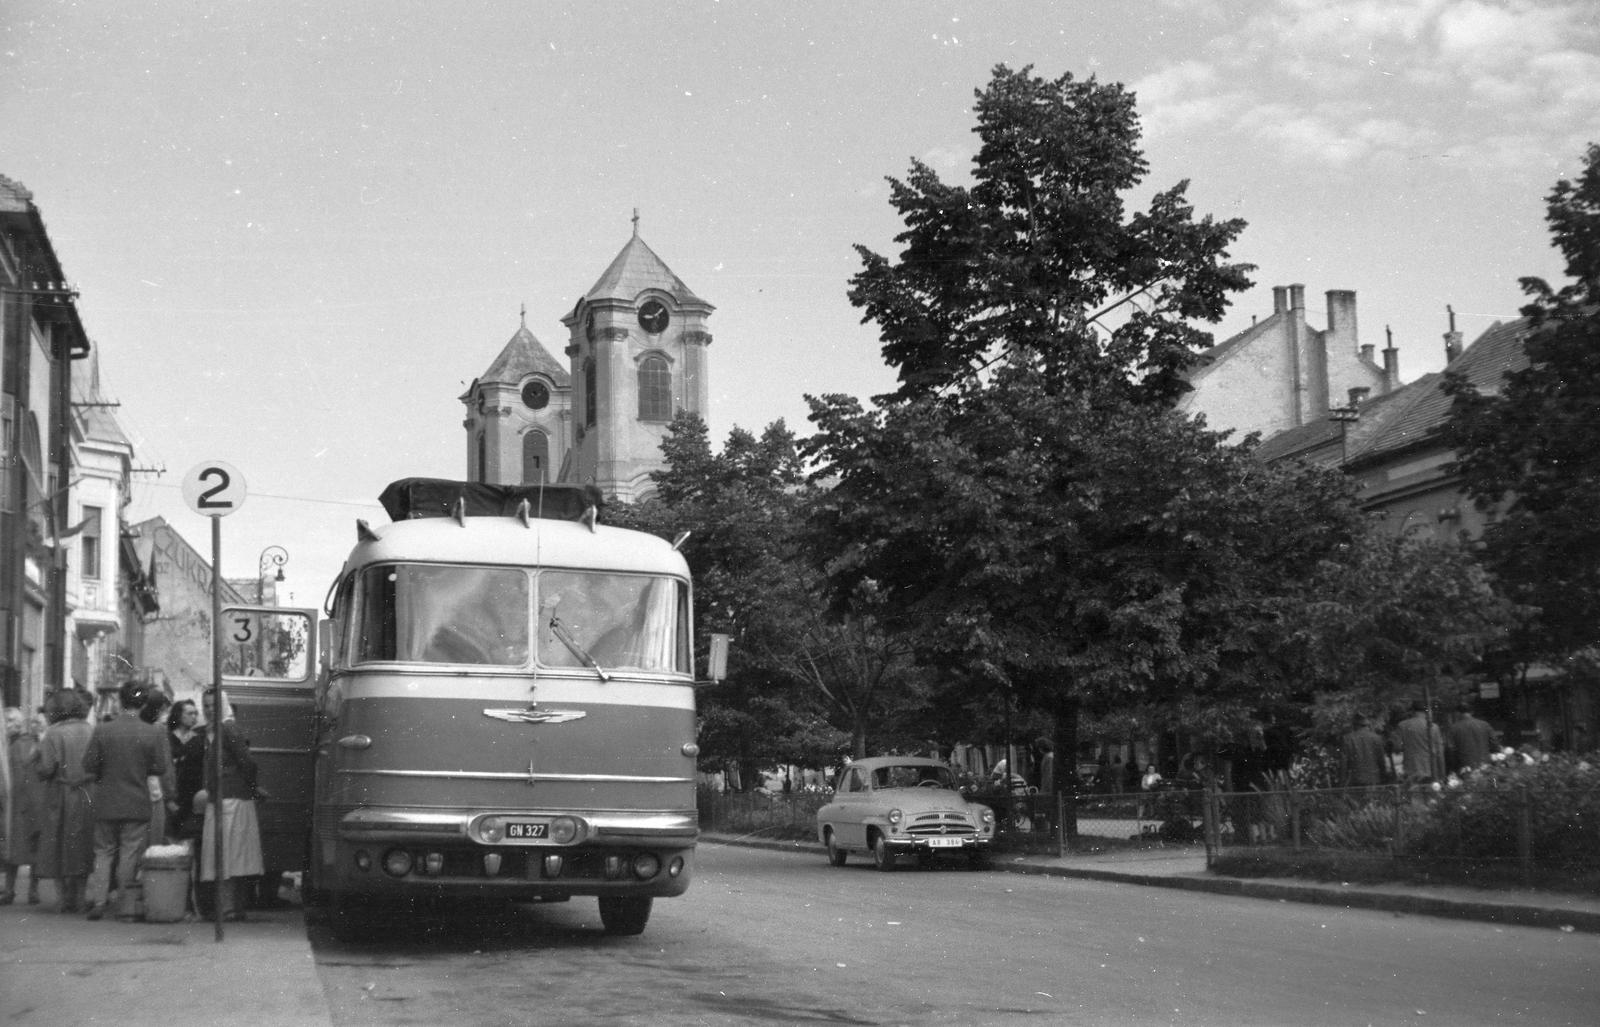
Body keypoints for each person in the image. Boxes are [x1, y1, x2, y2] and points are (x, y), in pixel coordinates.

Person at [81, 680, 171, 921]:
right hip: (136, 802)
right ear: (143, 703)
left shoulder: (102, 729)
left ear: (121, 701)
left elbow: (88, 765)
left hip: (106, 801)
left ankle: (99, 901)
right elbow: (160, 767)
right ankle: (124, 903)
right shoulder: (152, 732)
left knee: (103, 852)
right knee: (130, 853)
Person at [196, 688, 262, 921]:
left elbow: (248, 763)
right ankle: (232, 907)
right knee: (232, 857)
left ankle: (228, 908)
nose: (208, 709)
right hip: (227, 799)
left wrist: (250, 788)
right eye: (205, 705)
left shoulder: (226, 729)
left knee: (226, 856)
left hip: (231, 801)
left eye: (213, 705)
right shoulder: (216, 730)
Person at [34, 690, 96, 913]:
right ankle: (79, 897)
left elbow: (46, 768)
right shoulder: (90, 730)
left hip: (60, 793)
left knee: (57, 842)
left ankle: (62, 899)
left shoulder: (53, 734)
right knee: (83, 843)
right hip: (87, 792)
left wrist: (36, 762)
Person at [2, 707, 45, 904]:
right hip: (21, 801)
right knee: (18, 846)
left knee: (23, 846)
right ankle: (18, 891)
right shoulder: (18, 743)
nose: (11, 725)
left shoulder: (23, 743)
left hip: (24, 801)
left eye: (14, 722)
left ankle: (21, 890)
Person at [165, 699, 205, 841]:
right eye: (190, 713)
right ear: (179, 715)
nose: (194, 716)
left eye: (195, 713)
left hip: (191, 797)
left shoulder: (199, 740)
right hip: (170, 795)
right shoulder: (167, 738)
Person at [1392, 701, 1445, 784]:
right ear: (1425, 712)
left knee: (1414, 794)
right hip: (1431, 769)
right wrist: (1442, 773)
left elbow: (1397, 747)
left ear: (1412, 711)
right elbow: (1439, 752)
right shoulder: (1433, 727)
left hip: (1411, 769)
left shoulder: (1402, 725)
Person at [1340, 714, 1390, 786]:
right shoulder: (1377, 738)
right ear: (1367, 725)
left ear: (1355, 725)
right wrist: (1384, 778)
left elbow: (1344, 763)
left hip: (1355, 779)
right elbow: (1381, 761)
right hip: (1374, 779)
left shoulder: (1347, 739)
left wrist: (1342, 782)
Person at [1447, 702, 1498, 773]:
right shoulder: (1485, 725)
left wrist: (1453, 767)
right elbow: (1494, 743)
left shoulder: (1454, 728)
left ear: (1457, 713)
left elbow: (1451, 750)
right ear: (1471, 712)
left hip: (1465, 768)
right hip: (1485, 764)